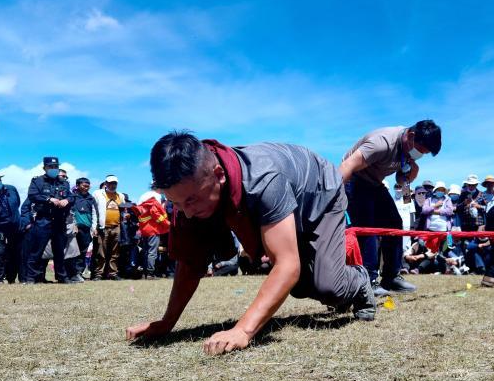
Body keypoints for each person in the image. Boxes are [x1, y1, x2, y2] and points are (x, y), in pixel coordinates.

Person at [126, 132, 377, 355]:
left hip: (320, 193)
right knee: (299, 285)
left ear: (219, 175)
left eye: (191, 201)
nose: (187, 213)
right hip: (288, 196)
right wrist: (167, 322)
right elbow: (191, 263)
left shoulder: (263, 179)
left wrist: (243, 331)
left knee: (328, 288)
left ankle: (359, 280)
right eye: (177, 204)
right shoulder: (189, 196)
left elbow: (287, 265)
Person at [340, 120, 442, 296]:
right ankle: (368, 281)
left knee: (394, 222)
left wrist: (409, 178)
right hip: (353, 180)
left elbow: (401, 182)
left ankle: (391, 276)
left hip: (374, 183)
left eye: (424, 154)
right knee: (369, 229)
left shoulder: (407, 149)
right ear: (410, 136)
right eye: (421, 151)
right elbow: (347, 166)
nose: (420, 155)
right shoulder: (381, 143)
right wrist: (334, 197)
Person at [24, 157, 75, 284]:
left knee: (59, 250)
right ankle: (31, 277)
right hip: (43, 219)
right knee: (37, 250)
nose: (53, 169)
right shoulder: (37, 181)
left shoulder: (64, 182)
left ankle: (62, 277)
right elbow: (32, 195)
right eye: (50, 167)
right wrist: (48, 199)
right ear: (44, 168)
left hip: (59, 220)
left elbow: (71, 196)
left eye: (55, 167)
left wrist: (67, 200)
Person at [0, 170, 21, 284]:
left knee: (14, 251)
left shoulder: (11, 189)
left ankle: (11, 278)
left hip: (14, 225)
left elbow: (17, 202)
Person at [92, 175, 125, 280]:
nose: (113, 185)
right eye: (110, 183)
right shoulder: (98, 194)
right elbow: (94, 211)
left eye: (115, 183)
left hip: (117, 226)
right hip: (103, 227)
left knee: (115, 252)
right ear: (105, 183)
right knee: (100, 251)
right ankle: (98, 274)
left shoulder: (120, 195)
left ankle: (113, 273)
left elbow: (123, 210)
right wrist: (95, 226)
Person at [69, 177, 98, 282]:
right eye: (84, 185)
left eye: (88, 185)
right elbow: (70, 212)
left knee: (83, 252)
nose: (86, 188)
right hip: (75, 229)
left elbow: (95, 213)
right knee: (72, 252)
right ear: (78, 185)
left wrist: (94, 228)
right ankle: (69, 274)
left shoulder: (91, 198)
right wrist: (74, 224)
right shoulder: (72, 197)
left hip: (87, 229)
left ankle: (78, 273)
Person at [137, 189, 167, 279]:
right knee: (152, 252)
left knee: (146, 251)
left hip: (144, 229)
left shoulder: (143, 199)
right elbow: (157, 214)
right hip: (153, 229)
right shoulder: (155, 199)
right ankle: (150, 273)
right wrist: (168, 224)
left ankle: (145, 273)